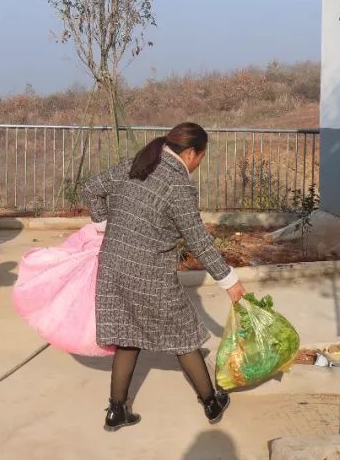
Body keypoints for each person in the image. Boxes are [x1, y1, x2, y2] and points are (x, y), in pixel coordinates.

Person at [83, 122, 246, 432]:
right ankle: (211, 402)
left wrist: (104, 226)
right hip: (150, 273)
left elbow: (92, 187)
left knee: (127, 334)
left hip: (114, 265)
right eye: (201, 157)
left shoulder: (138, 163)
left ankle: (116, 410)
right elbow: (198, 240)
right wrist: (229, 281)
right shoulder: (177, 185)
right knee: (183, 335)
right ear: (191, 153)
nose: (199, 164)